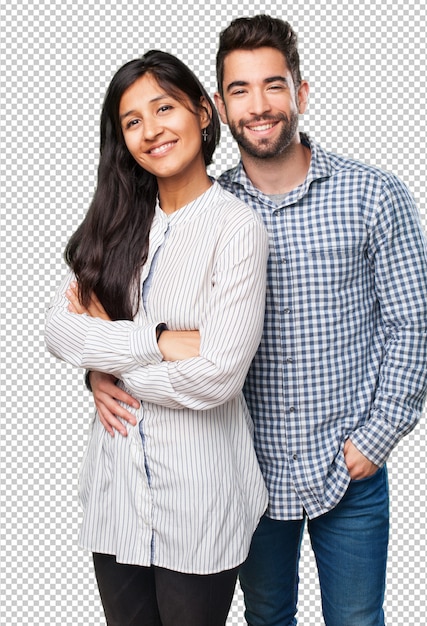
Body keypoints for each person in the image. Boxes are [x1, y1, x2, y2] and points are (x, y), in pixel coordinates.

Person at [87, 15, 427, 626]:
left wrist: (376, 438)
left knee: (357, 620)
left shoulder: (373, 195)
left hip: (348, 468)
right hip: (248, 477)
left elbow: (417, 325)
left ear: (300, 94)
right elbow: (117, 311)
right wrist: (101, 371)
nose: (259, 106)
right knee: (267, 618)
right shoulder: (204, 211)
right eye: (240, 91)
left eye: (273, 86)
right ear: (220, 109)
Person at [45, 49, 269, 626]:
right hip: (116, 497)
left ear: (201, 112)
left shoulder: (236, 226)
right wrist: (162, 339)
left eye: (164, 108)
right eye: (132, 121)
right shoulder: (117, 223)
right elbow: (58, 330)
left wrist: (110, 363)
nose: (151, 131)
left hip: (200, 500)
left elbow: (218, 374)